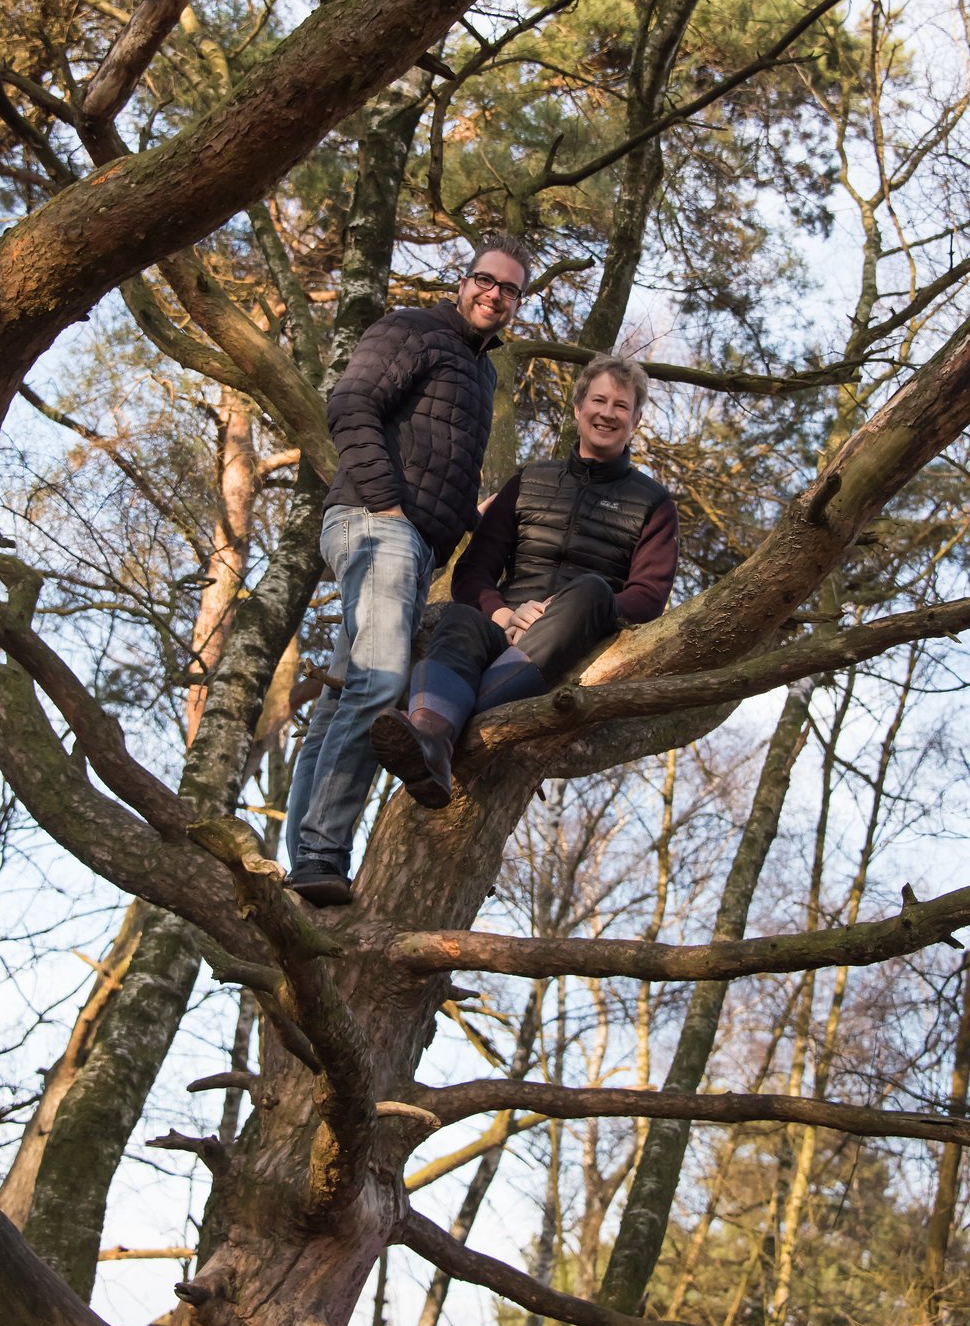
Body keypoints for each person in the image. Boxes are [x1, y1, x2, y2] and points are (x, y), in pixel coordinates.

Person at [284, 235, 533, 905]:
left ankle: (304, 856)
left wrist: (468, 517)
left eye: (510, 289)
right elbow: (351, 404)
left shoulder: (481, 373)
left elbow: (437, 458)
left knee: (342, 694)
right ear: (463, 281)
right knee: (381, 679)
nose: (495, 295)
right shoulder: (413, 328)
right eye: (486, 280)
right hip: (377, 525)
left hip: (415, 545)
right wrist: (389, 506)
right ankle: (322, 851)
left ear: (517, 302)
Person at [370, 354, 678, 807]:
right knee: (459, 617)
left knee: (593, 588)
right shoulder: (530, 480)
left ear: (636, 420)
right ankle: (431, 742)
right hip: (504, 626)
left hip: (578, 634)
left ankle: (450, 721)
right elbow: (473, 571)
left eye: (621, 406)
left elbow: (648, 596)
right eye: (598, 400)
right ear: (577, 409)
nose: (607, 413)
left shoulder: (653, 502)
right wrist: (502, 613)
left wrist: (556, 611)